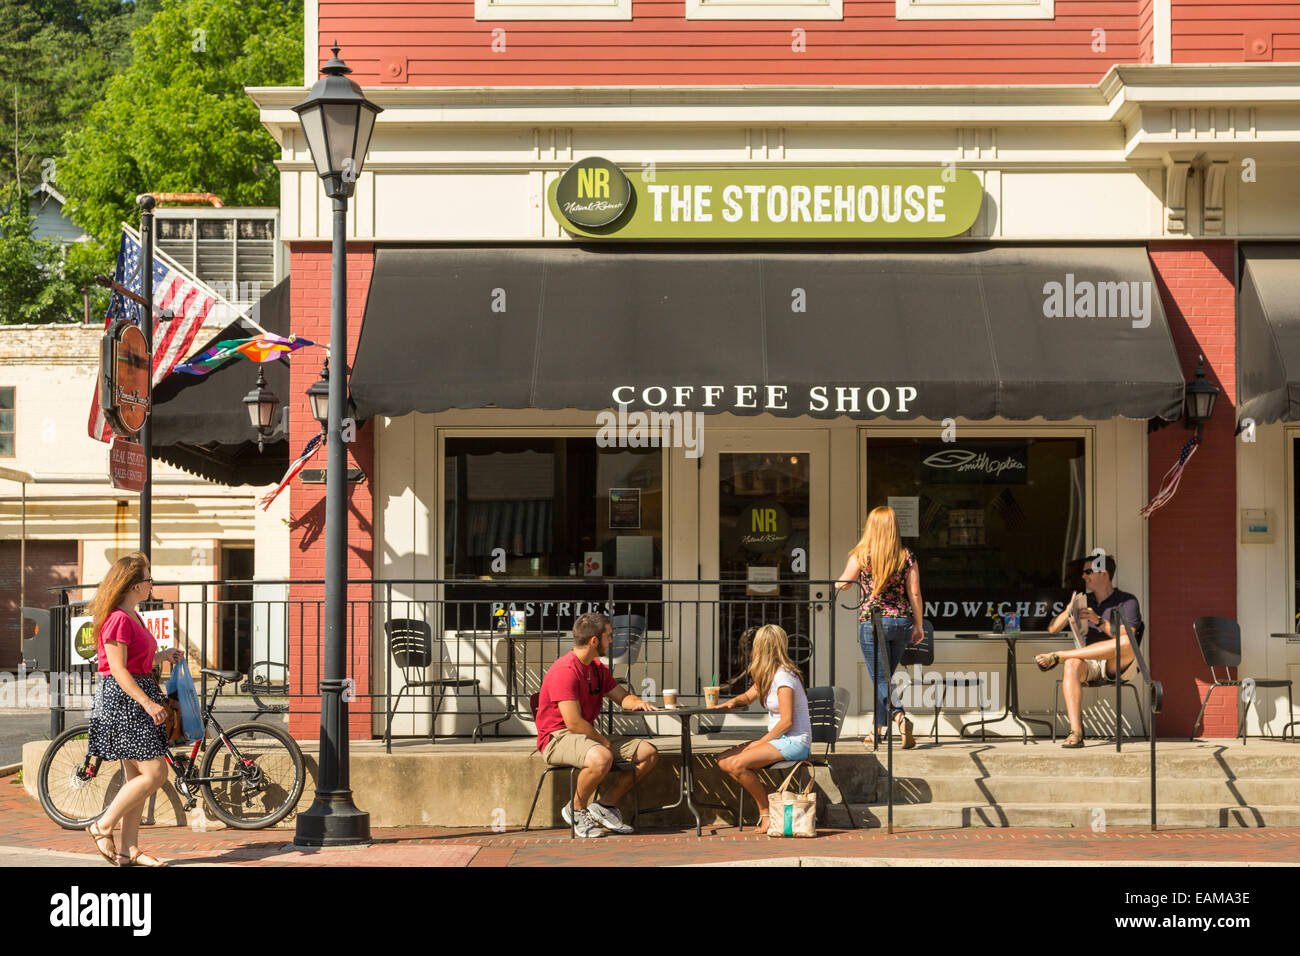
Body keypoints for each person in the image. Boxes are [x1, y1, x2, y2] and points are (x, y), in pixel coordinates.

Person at [84, 552, 185, 867]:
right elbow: (117, 669)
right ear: (134, 585)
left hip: (135, 696)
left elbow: (136, 662)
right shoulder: (118, 619)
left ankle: (129, 850)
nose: (152, 584)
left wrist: (163, 655)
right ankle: (102, 825)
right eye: (148, 578)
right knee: (155, 773)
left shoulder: (134, 616)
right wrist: (148, 702)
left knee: (137, 778)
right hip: (125, 701)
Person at [534, 612, 659, 837]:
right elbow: (573, 723)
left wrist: (639, 703)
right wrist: (602, 741)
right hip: (557, 738)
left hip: (585, 737)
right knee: (602, 756)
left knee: (648, 753)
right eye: (609, 636)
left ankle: (605, 805)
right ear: (594, 641)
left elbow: (622, 697)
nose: (611, 640)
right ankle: (575, 809)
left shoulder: (597, 668)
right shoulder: (565, 671)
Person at [836, 505, 924, 749]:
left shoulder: (862, 554)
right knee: (885, 679)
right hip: (901, 623)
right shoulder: (906, 556)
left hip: (873, 623)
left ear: (871, 526)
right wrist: (919, 624)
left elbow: (844, 584)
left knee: (881, 680)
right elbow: (915, 593)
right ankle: (876, 731)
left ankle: (900, 717)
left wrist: (836, 583)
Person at [1037, 553, 1144, 749]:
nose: (1083, 576)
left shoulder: (1126, 601)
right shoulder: (1084, 600)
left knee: (1128, 641)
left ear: (1104, 573)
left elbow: (1126, 635)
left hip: (1116, 663)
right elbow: (1053, 629)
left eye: (1088, 572)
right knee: (1072, 664)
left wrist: (1098, 621)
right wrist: (1069, 610)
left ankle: (1062, 655)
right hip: (1089, 663)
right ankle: (1076, 731)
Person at [712, 624, 812, 833]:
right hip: (779, 740)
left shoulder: (784, 677)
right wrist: (731, 702)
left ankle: (766, 811)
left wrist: (760, 742)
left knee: (737, 764)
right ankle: (774, 800)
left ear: (761, 648)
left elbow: (787, 722)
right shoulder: (768, 674)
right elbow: (748, 696)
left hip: (794, 741)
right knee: (724, 760)